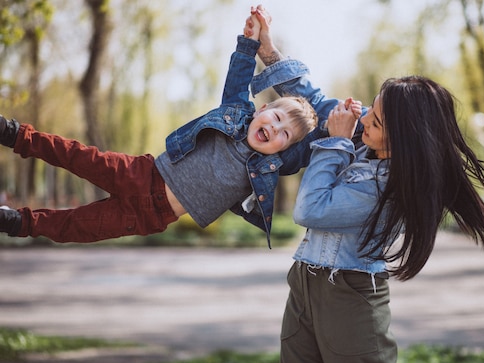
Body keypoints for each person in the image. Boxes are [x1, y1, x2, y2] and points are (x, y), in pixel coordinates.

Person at [247, 5, 484, 363]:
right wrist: (270, 52)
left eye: (375, 120)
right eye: (370, 111)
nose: (364, 121)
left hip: (350, 296)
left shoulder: (389, 188)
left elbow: (312, 209)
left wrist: (335, 143)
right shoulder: (366, 135)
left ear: (403, 139)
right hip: (304, 285)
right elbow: (312, 99)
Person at [0, 18, 318, 247]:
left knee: (80, 227)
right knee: (76, 156)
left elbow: (307, 149)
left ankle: (16, 222)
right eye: (276, 117)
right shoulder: (237, 114)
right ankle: (14, 134)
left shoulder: (267, 166)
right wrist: (249, 42)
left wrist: (343, 130)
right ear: (262, 110)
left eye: (284, 135)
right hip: (143, 174)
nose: (275, 129)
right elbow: (237, 76)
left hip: (150, 216)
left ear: (282, 148)